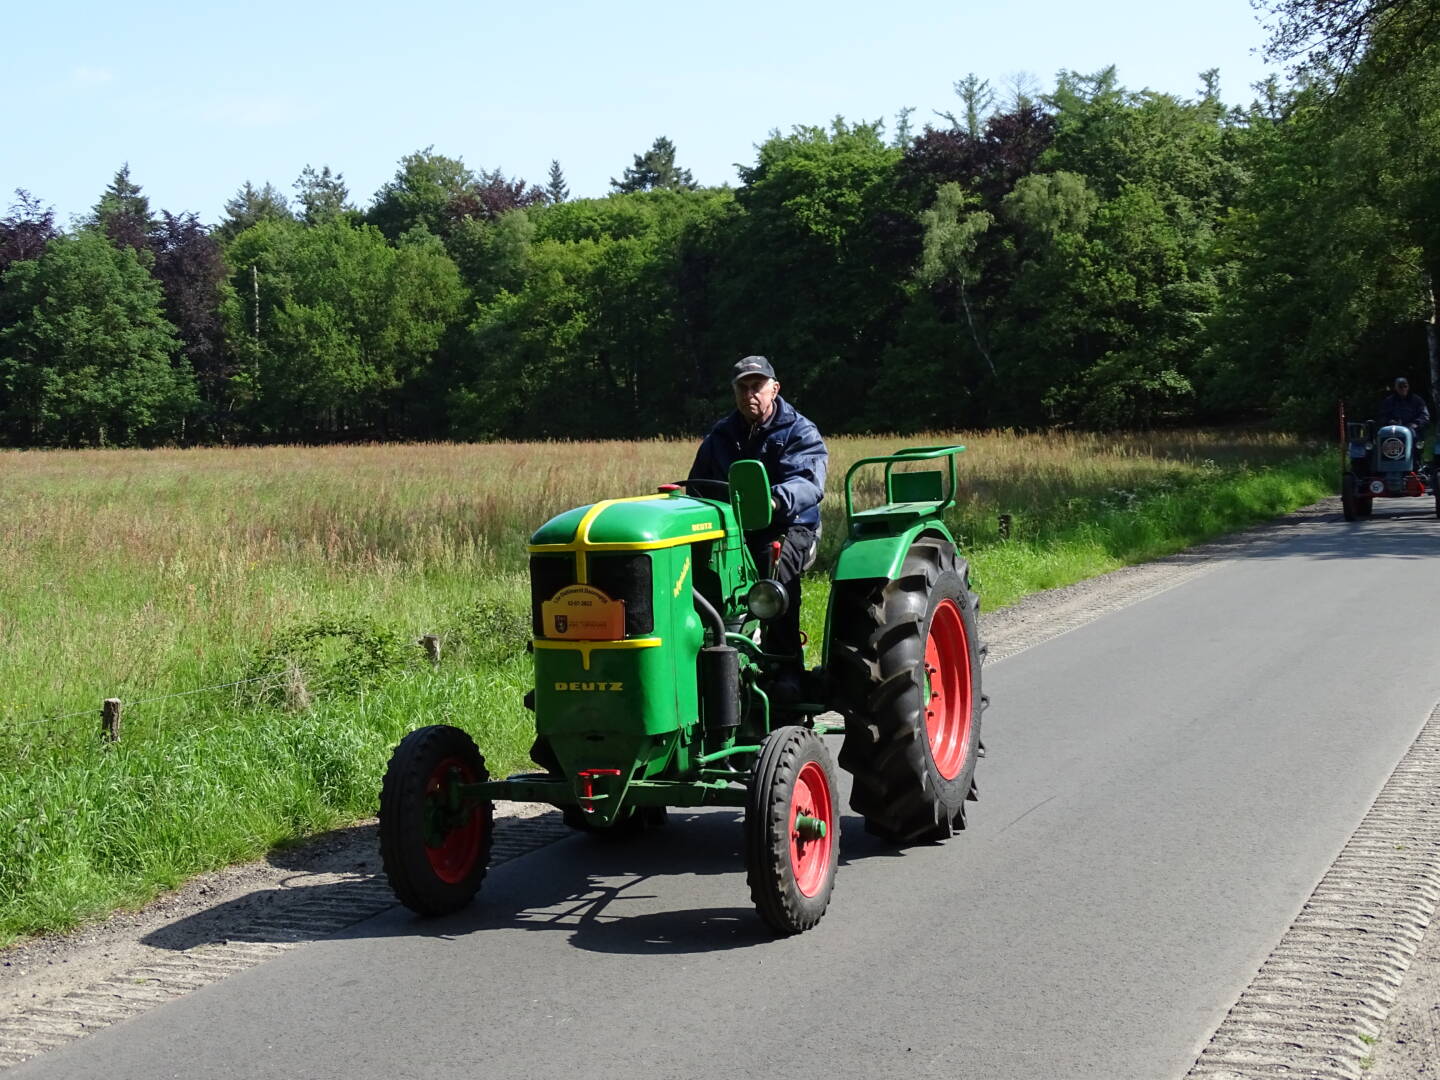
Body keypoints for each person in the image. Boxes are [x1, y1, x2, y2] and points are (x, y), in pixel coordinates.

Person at [689, 356, 828, 698]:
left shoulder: (799, 430)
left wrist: (774, 500)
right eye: (743, 387)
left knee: (772, 570)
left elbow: (808, 483)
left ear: (774, 389)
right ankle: (702, 661)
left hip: (790, 524)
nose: (750, 394)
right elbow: (699, 485)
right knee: (692, 569)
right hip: (734, 529)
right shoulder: (721, 435)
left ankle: (786, 669)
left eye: (757, 386)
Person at [1379, 377, 1430, 469]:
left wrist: (1416, 423)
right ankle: (1384, 465)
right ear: (1396, 388)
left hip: (1411, 428)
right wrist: (1389, 421)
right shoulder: (1389, 401)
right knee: (1382, 435)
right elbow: (1382, 415)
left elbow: (1425, 416)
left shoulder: (1417, 400)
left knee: (1415, 438)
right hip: (1393, 428)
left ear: (1408, 387)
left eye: (1405, 386)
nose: (1403, 389)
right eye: (1400, 387)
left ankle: (1415, 463)